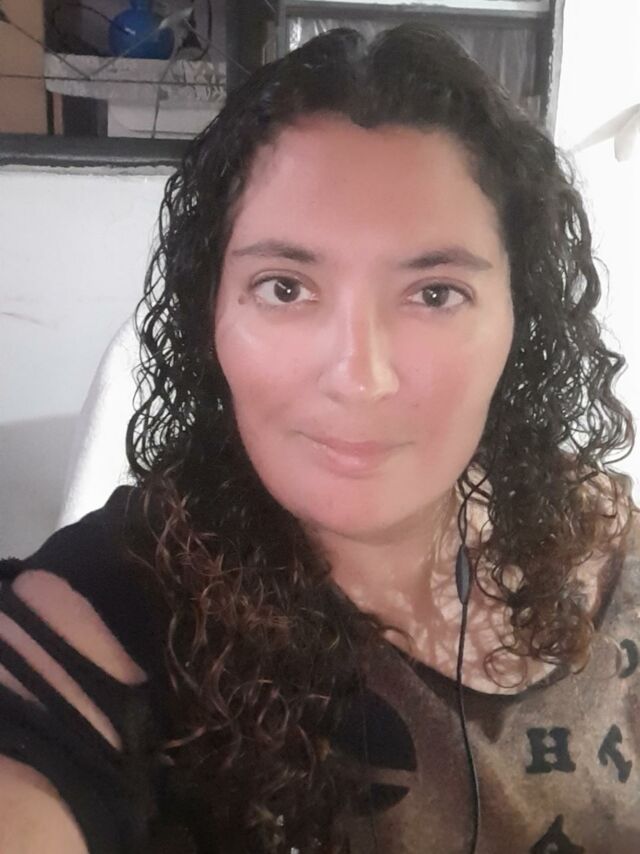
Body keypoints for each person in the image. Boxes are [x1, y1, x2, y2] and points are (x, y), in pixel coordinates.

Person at [0, 21, 638, 854]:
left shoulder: (602, 533)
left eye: (435, 293)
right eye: (284, 287)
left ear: (520, 321)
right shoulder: (105, 609)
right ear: (210, 315)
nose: (359, 377)